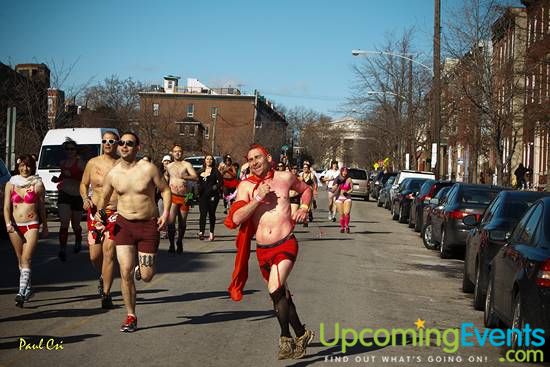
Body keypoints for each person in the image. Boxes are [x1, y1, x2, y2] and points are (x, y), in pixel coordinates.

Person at [224, 144, 314, 360]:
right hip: (262, 250)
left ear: (268, 158)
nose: (254, 162)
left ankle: (285, 339)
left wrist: (304, 208)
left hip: (285, 243)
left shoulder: (285, 177)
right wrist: (256, 199)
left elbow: (306, 190)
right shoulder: (246, 186)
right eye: (250, 159)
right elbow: (235, 219)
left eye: (258, 157)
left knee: (275, 288)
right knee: (280, 295)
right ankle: (302, 334)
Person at [94, 132, 171, 333]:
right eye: (122, 143)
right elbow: (104, 198)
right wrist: (99, 216)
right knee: (125, 271)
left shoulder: (148, 169)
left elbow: (165, 190)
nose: (124, 146)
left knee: (146, 276)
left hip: (147, 225)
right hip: (124, 225)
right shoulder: (113, 174)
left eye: (129, 143)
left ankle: (142, 268)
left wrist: (166, 213)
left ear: (138, 147)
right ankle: (131, 316)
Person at [79, 131, 120, 309]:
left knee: (109, 252)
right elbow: (83, 184)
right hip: (95, 213)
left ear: (117, 143)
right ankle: (103, 276)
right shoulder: (92, 163)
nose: (108, 143)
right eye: (105, 141)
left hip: (115, 213)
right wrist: (85, 199)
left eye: (111, 141)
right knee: (95, 256)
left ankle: (106, 294)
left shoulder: (122, 164)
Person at [4, 155, 48, 307]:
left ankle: (21, 291)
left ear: (33, 167)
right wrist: (7, 223)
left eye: (28, 166)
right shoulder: (11, 184)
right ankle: (28, 288)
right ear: (18, 167)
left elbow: (42, 207)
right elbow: (6, 207)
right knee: (20, 259)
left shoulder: (37, 184)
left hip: (32, 225)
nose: (25, 168)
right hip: (15, 226)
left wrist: (45, 226)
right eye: (22, 165)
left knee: (26, 258)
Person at [54, 138, 85, 261]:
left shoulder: (81, 163)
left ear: (76, 150)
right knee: (64, 222)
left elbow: (86, 178)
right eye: (67, 149)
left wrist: (72, 175)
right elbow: (62, 175)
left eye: (72, 149)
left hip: (77, 195)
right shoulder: (62, 163)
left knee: (76, 224)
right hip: (64, 193)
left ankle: (78, 240)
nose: (70, 151)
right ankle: (62, 249)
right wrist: (57, 179)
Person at [165, 144, 198, 254]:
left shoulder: (186, 164)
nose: (177, 153)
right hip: (173, 196)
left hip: (184, 197)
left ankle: (179, 241)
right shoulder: (169, 166)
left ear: (182, 153)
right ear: (172, 153)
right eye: (175, 151)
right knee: (171, 222)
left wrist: (185, 177)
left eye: (179, 151)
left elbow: (195, 177)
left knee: (182, 222)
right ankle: (171, 244)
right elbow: (165, 178)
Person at [197, 154, 223, 241]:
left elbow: (221, 182)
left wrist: (214, 187)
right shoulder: (200, 171)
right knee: (202, 214)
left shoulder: (215, 171)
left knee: (211, 214)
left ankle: (211, 233)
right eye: (207, 159)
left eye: (210, 159)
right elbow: (196, 181)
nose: (209, 160)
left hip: (212, 196)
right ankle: (201, 232)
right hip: (202, 196)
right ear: (204, 160)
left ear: (213, 161)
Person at [333, 167, 353, 233]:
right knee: (342, 214)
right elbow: (333, 189)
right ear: (341, 172)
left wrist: (347, 192)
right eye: (343, 171)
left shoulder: (349, 179)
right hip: (339, 198)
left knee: (346, 213)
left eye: (346, 171)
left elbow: (352, 189)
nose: (344, 173)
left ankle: (347, 226)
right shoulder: (337, 178)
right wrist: (336, 185)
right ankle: (342, 227)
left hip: (347, 197)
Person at [159, 155, 172, 240]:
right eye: (165, 161)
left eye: (168, 161)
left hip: (173, 197)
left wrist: (188, 199)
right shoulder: (159, 173)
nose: (167, 163)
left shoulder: (174, 173)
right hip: (161, 198)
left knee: (171, 217)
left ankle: (171, 231)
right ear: (162, 162)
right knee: (161, 215)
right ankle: (163, 232)